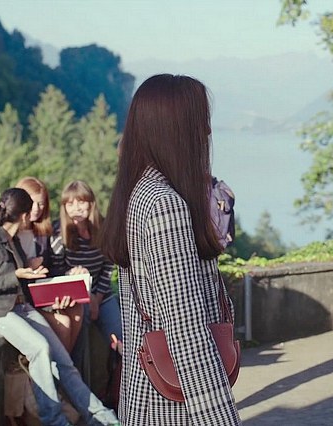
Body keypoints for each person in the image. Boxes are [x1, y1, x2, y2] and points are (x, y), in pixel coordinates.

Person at [101, 74, 240, 425]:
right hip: (173, 411)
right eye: (200, 121)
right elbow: (187, 333)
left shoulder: (139, 193)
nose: (207, 132)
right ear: (177, 131)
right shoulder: (167, 205)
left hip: (143, 398)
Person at [0, 188, 119, 426]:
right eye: (32, 211)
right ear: (24, 216)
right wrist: (17, 274)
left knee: (64, 362)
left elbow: (24, 282)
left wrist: (35, 273)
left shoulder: (13, 240)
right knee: (39, 348)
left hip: (20, 308)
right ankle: (54, 420)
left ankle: (102, 418)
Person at [51, 180, 122, 377]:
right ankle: (81, 384)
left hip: (102, 294)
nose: (76, 208)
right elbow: (56, 269)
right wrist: (75, 281)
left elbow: (108, 266)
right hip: (75, 297)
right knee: (80, 344)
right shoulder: (59, 233)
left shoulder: (104, 227)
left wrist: (96, 298)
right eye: (70, 203)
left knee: (121, 339)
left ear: (91, 203)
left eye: (81, 202)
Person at [15, 176, 85, 354]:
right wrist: (27, 266)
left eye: (41, 204)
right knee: (63, 323)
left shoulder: (42, 232)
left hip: (42, 294)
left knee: (77, 309)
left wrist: (70, 275)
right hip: (22, 298)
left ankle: (66, 364)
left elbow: (51, 269)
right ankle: (64, 366)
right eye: (32, 203)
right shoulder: (12, 233)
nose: (36, 209)